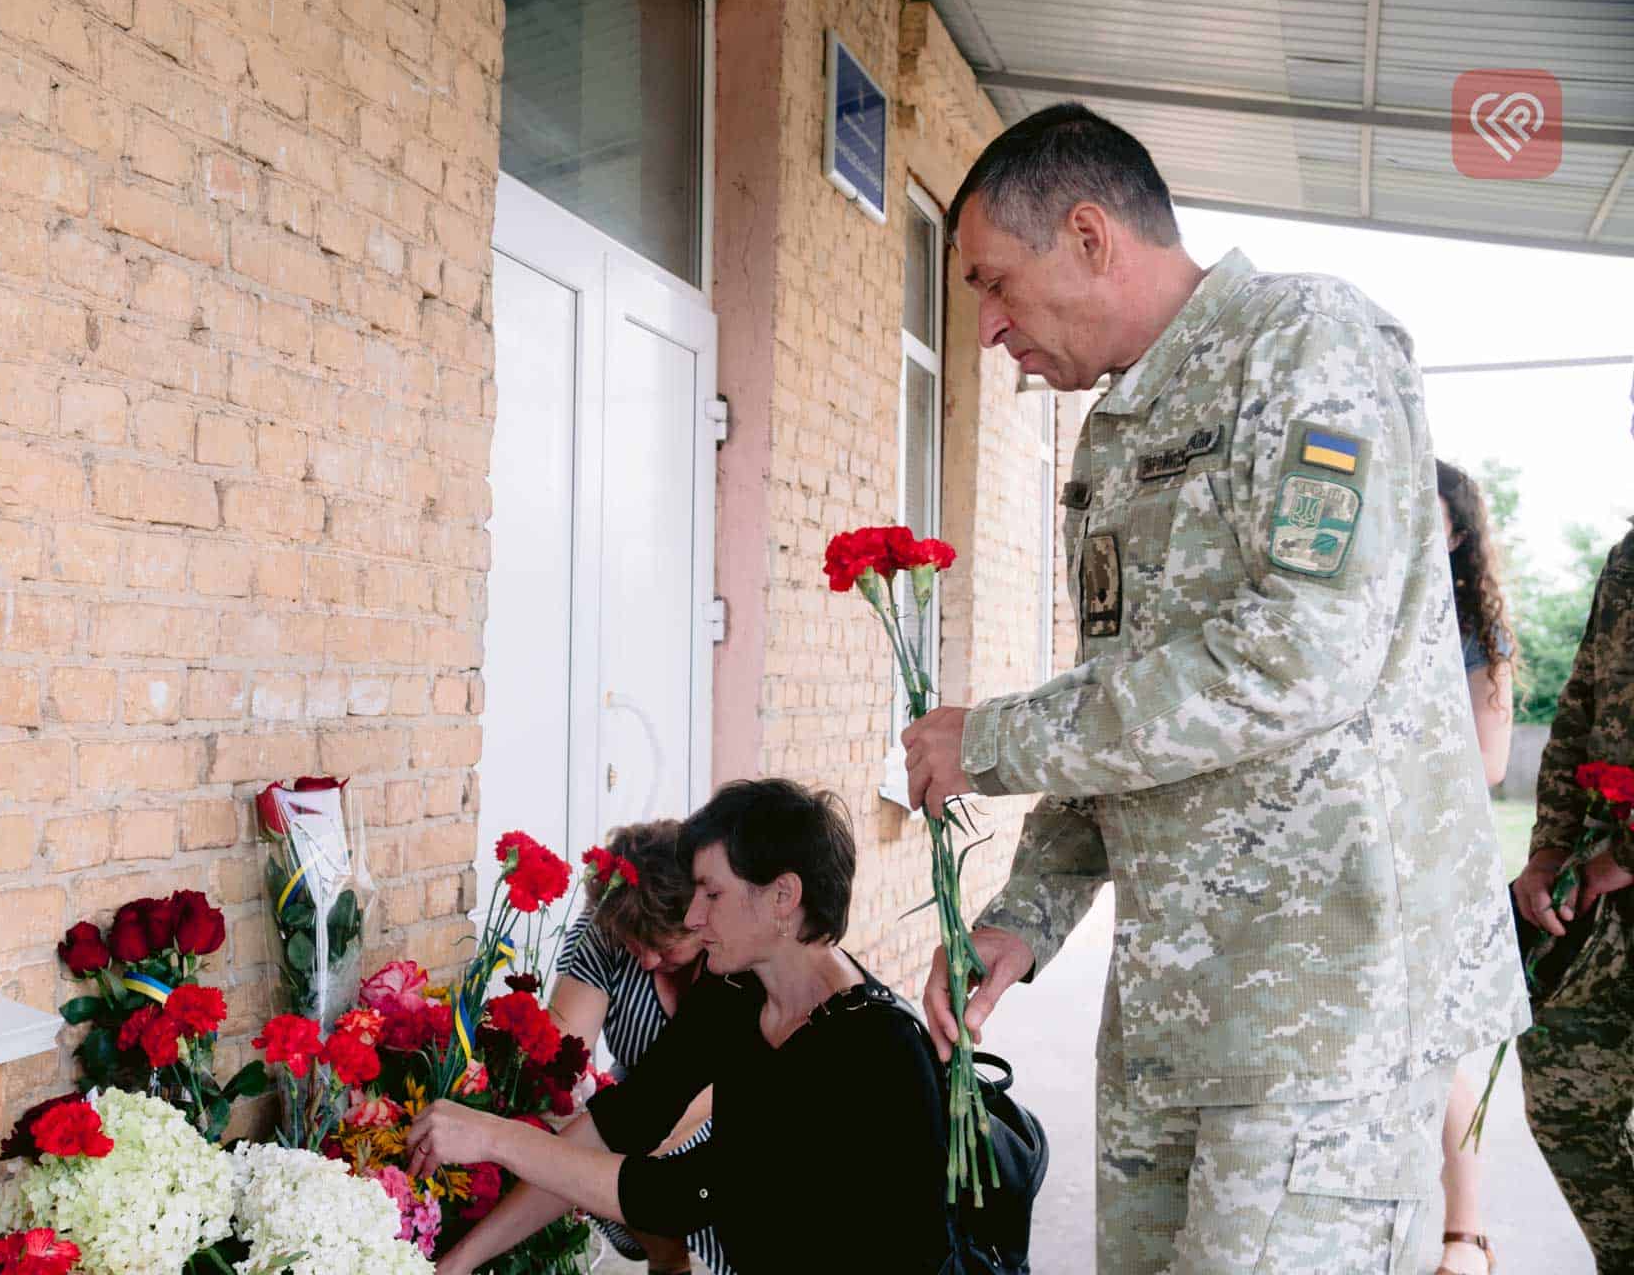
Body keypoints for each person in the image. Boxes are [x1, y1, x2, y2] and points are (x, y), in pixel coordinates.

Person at [900, 103, 1529, 1274]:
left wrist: (991, 739)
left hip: (1323, 1012)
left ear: (1089, 234)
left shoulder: (1307, 344)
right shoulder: (1115, 430)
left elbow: (1302, 653)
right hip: (1178, 1008)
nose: (985, 327)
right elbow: (1123, 704)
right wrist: (1023, 917)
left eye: (995, 282)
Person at [408, 779, 953, 1274]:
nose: (693, 917)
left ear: (783, 897)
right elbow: (624, 1120)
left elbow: (678, 1194)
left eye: (711, 894)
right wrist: (459, 1262)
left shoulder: (873, 1048)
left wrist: (495, 1138)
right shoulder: (739, 994)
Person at [1510, 376, 1634, 1270]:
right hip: (1601, 897)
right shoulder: (1630, 560)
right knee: (1562, 1093)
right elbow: (1579, 707)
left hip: (1619, 862)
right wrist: (1550, 844)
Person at [549, 820, 729, 1275]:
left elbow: (722, 1087)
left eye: (664, 949)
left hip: (729, 1105)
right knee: (575, 1131)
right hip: (636, 1105)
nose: (647, 961)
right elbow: (559, 1063)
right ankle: (666, 1259)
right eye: (635, 946)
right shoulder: (607, 923)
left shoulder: (733, 945)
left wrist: (628, 1143)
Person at [1432, 460, 1516, 1275]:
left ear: (1458, 535)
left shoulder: (1473, 630)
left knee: (1438, 1049)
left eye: (1433, 518)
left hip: (1441, 856)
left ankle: (1467, 1234)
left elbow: (1491, 762)